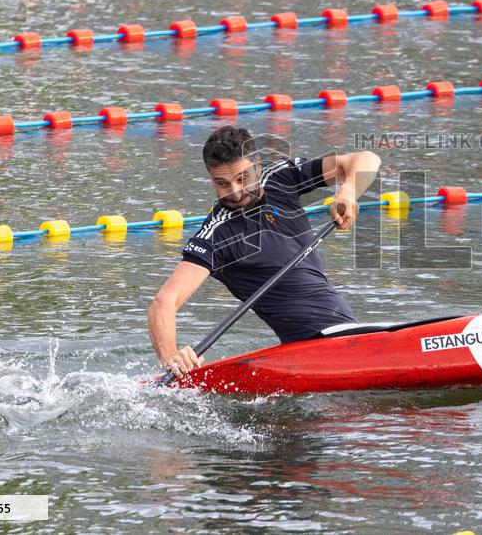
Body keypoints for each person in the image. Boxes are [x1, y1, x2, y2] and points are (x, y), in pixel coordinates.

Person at [147, 126, 382, 378]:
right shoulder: (217, 235)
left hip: (345, 334)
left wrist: (347, 191)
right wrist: (172, 358)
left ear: (258, 166)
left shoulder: (280, 178)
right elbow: (163, 303)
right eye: (222, 183)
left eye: (242, 178)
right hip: (312, 348)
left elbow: (368, 159)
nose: (235, 192)